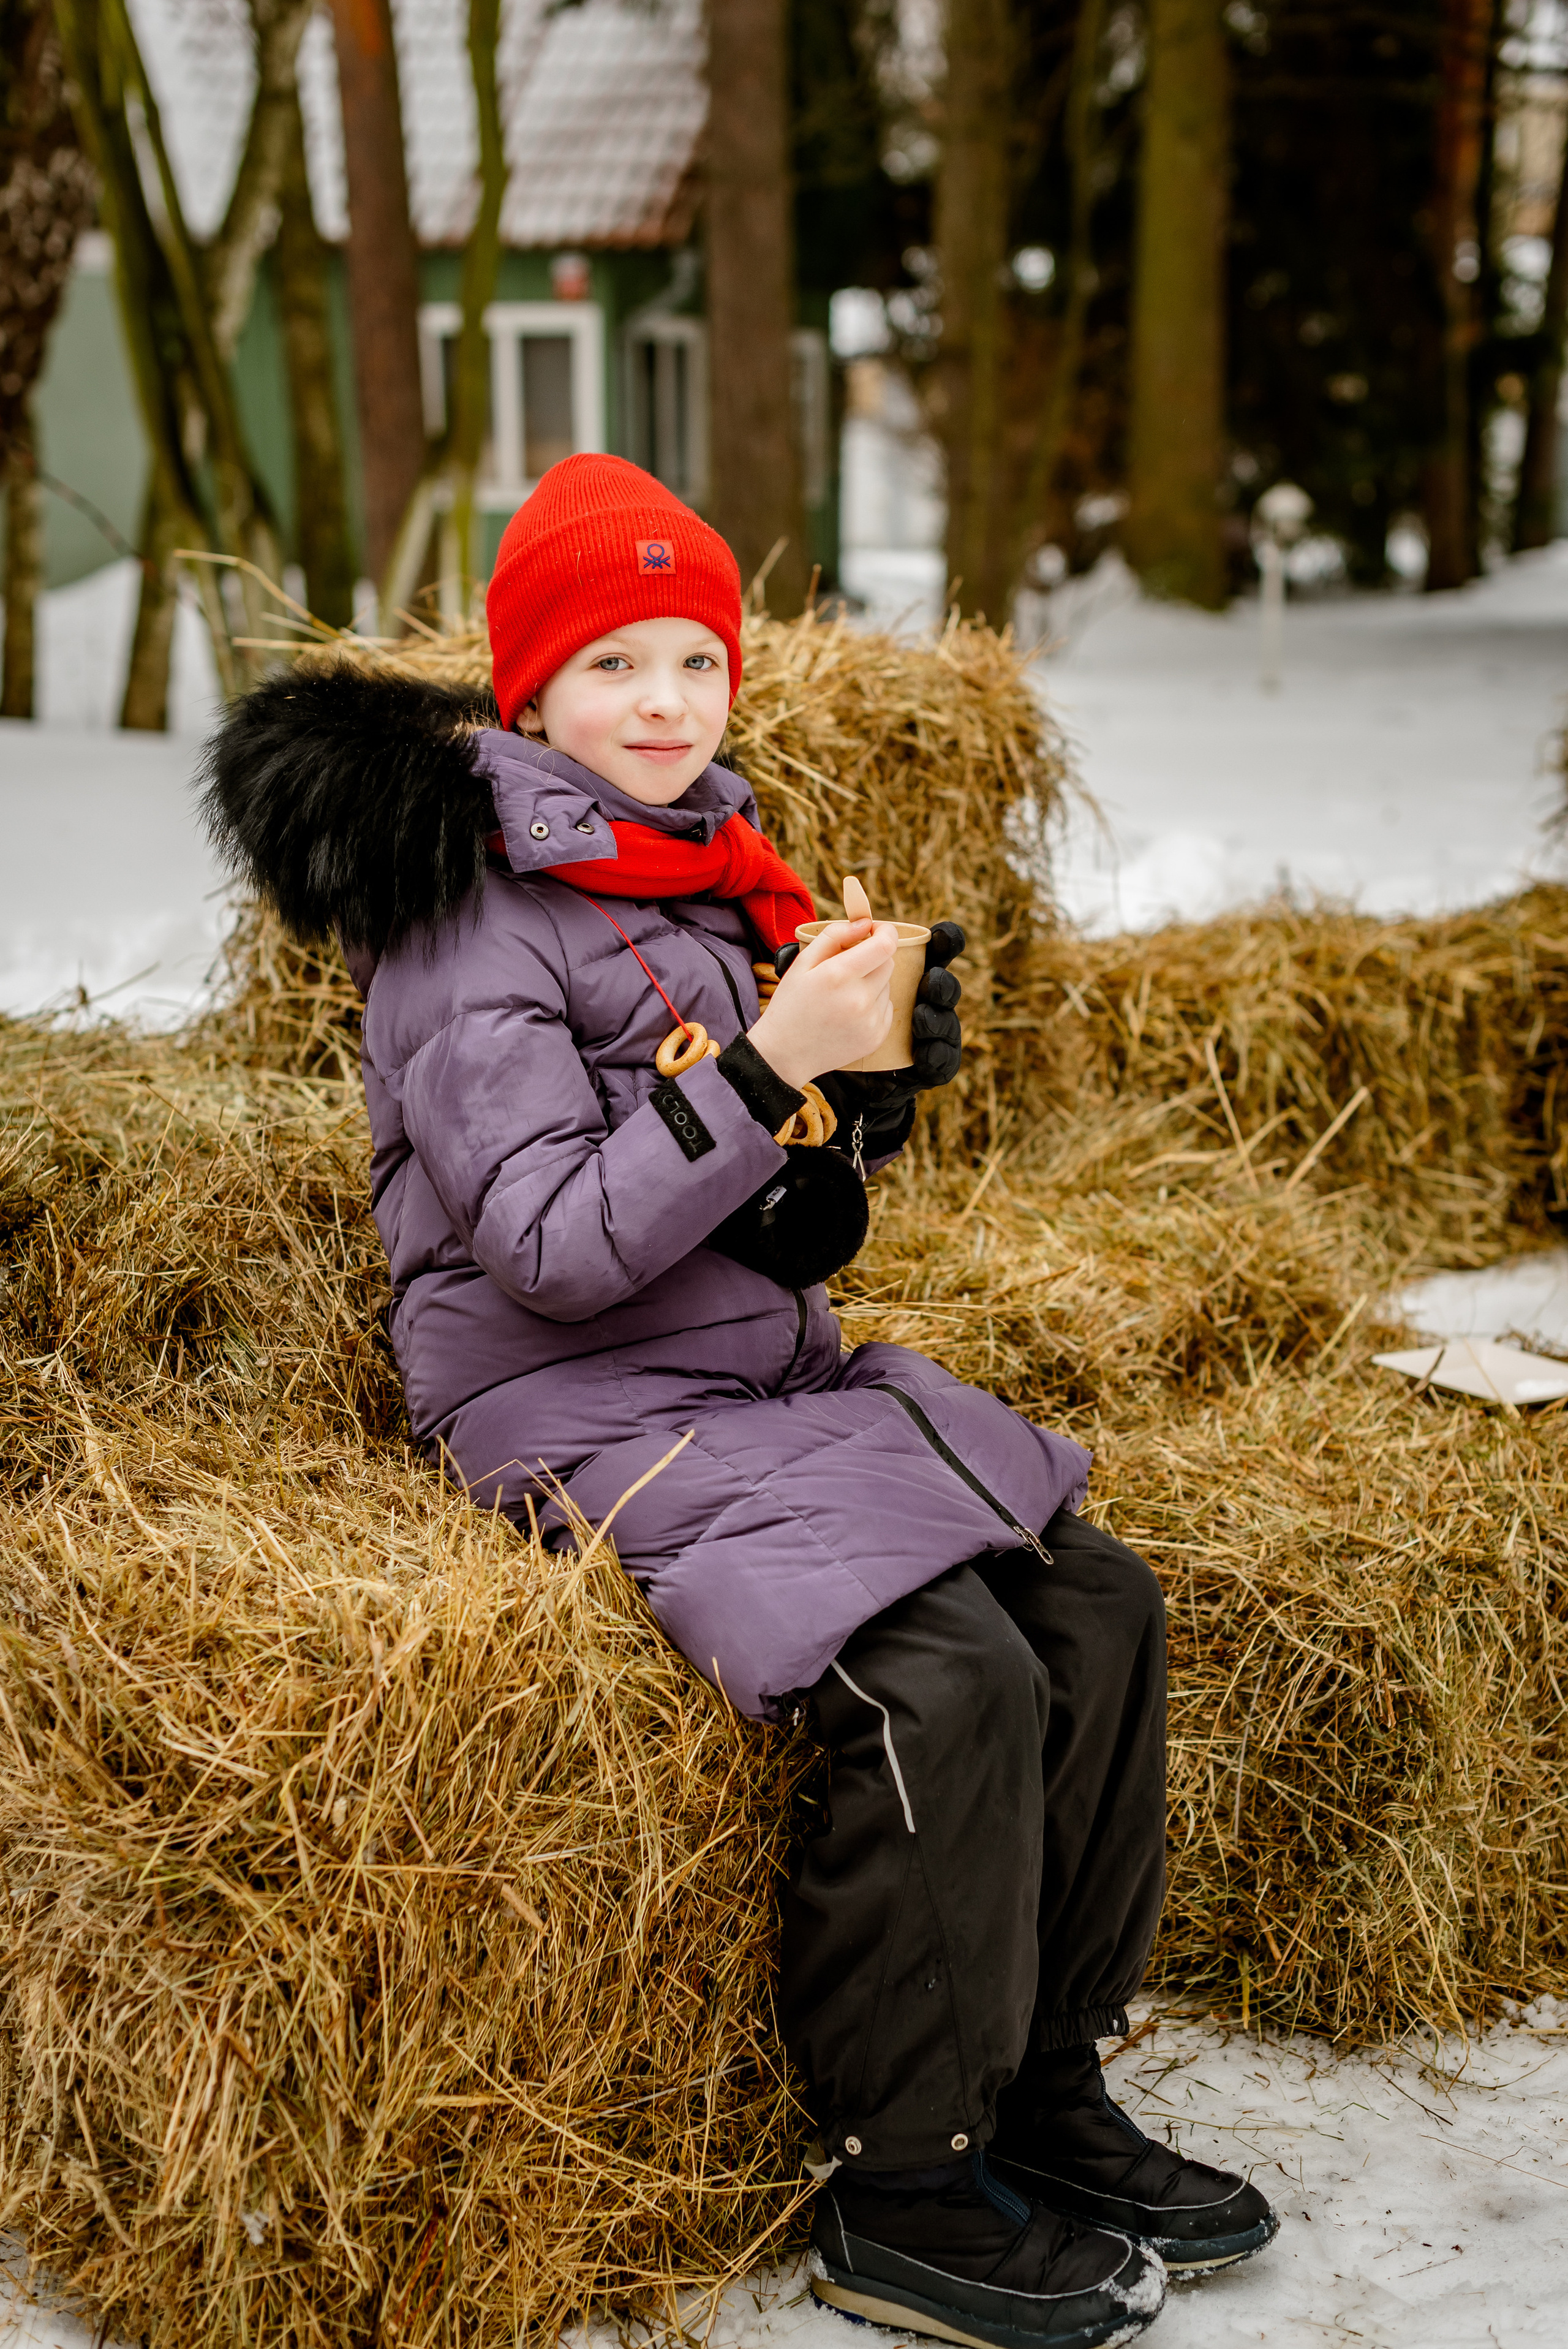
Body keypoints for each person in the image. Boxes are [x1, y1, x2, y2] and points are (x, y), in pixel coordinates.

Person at [202, 454, 1276, 2349]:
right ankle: (908, 2183)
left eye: (696, 656)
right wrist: (773, 1053)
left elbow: (767, 1202)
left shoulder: (689, 865)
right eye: (615, 661)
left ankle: (1043, 2083)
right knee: (940, 1671)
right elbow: (543, 1242)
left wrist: (860, 1084)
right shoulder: (472, 912)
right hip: (573, 1399)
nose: (666, 700)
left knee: (1096, 1608)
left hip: (750, 1372)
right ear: (526, 693)